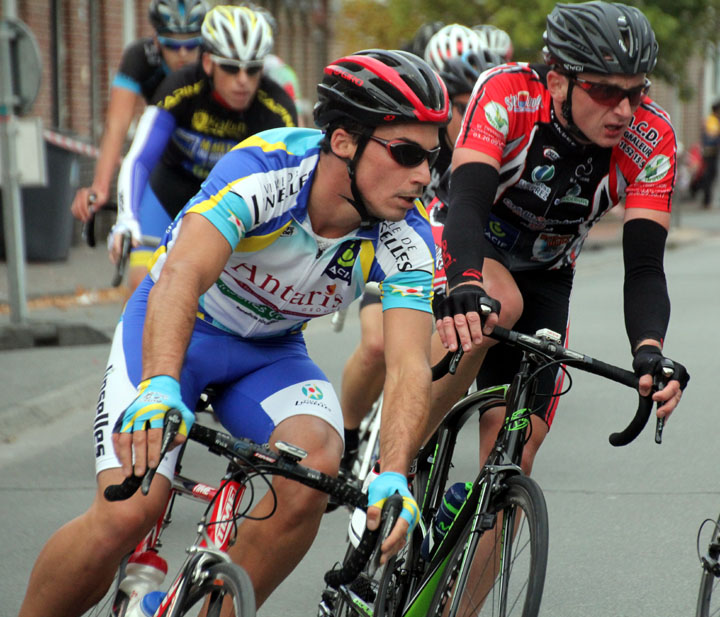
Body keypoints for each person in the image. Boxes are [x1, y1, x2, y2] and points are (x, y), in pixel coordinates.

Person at [17, 48, 449, 616]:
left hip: (270, 353)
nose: (423, 175)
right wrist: (160, 385)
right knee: (128, 513)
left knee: (317, 463)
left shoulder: (407, 238)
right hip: (180, 325)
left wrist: (393, 473)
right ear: (344, 140)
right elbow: (181, 277)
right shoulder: (267, 171)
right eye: (406, 153)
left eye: (432, 158)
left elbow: (408, 364)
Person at [432, 0, 690, 481]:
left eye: (636, 93)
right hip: (469, 243)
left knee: (513, 457)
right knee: (499, 302)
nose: (624, 110)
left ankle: (473, 535)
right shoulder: (507, 92)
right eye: (605, 91)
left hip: (549, 274)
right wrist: (465, 278)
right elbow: (464, 204)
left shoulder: (652, 139)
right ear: (557, 82)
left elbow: (645, 268)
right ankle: (401, 456)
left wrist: (650, 350)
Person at [338, 25, 500, 473]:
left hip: (437, 263)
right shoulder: (422, 141)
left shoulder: (486, 148)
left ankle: (407, 449)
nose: (473, 115)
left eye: (479, 105)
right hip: (391, 250)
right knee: (375, 345)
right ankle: (349, 436)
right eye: (464, 105)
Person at [110, 4, 297, 292]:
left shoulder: (277, 108)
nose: (243, 80)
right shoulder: (180, 87)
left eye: (253, 69)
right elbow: (139, 158)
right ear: (208, 62)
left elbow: (291, 185)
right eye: (231, 68)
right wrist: (126, 217)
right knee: (141, 282)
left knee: (219, 292)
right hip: (172, 187)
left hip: (233, 201)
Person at [70, 0, 208, 223]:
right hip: (168, 162)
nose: (182, 53)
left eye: (192, 44)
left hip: (211, 158)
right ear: (156, 40)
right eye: (172, 44)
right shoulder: (140, 57)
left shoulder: (213, 62)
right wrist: (100, 187)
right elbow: (117, 125)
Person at [690, 99, 720, 209]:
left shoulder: (714, 120)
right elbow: (712, 137)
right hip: (709, 153)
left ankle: (701, 194)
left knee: (710, 176)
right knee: (708, 176)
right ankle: (702, 196)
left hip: (712, 153)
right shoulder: (712, 120)